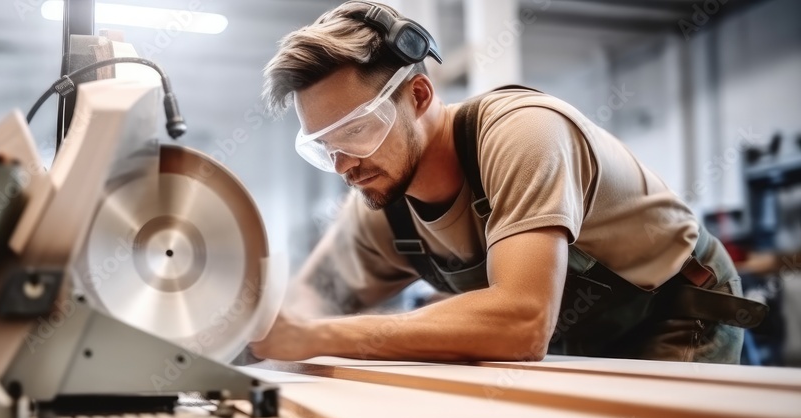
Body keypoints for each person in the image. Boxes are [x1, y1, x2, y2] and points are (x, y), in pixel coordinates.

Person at [250, 1, 764, 364]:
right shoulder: (382, 201)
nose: (343, 165)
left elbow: (521, 322)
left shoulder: (522, 132)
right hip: (576, 333)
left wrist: (321, 337)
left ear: (421, 96)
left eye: (355, 131)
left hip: (672, 312)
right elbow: (306, 307)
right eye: (324, 146)